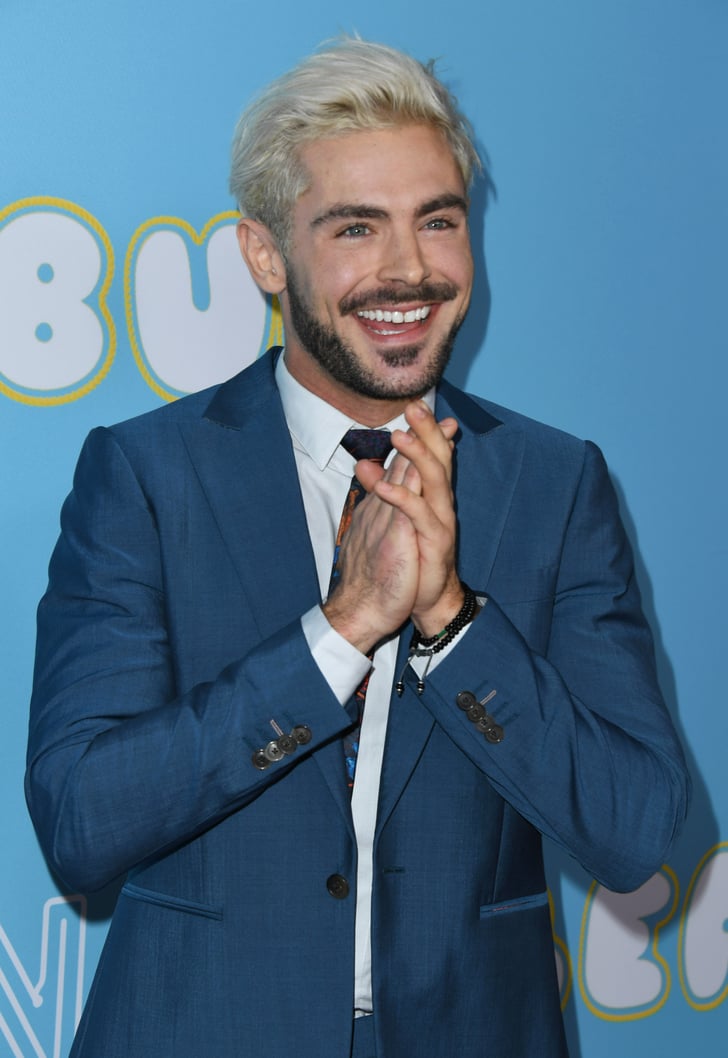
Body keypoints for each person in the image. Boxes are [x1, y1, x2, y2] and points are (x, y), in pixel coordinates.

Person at [26, 37, 689, 1058]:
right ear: (265, 255)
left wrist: (452, 622)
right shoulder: (147, 476)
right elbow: (81, 821)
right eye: (354, 227)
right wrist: (339, 633)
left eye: (438, 219)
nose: (409, 268)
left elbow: (636, 827)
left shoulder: (554, 485)